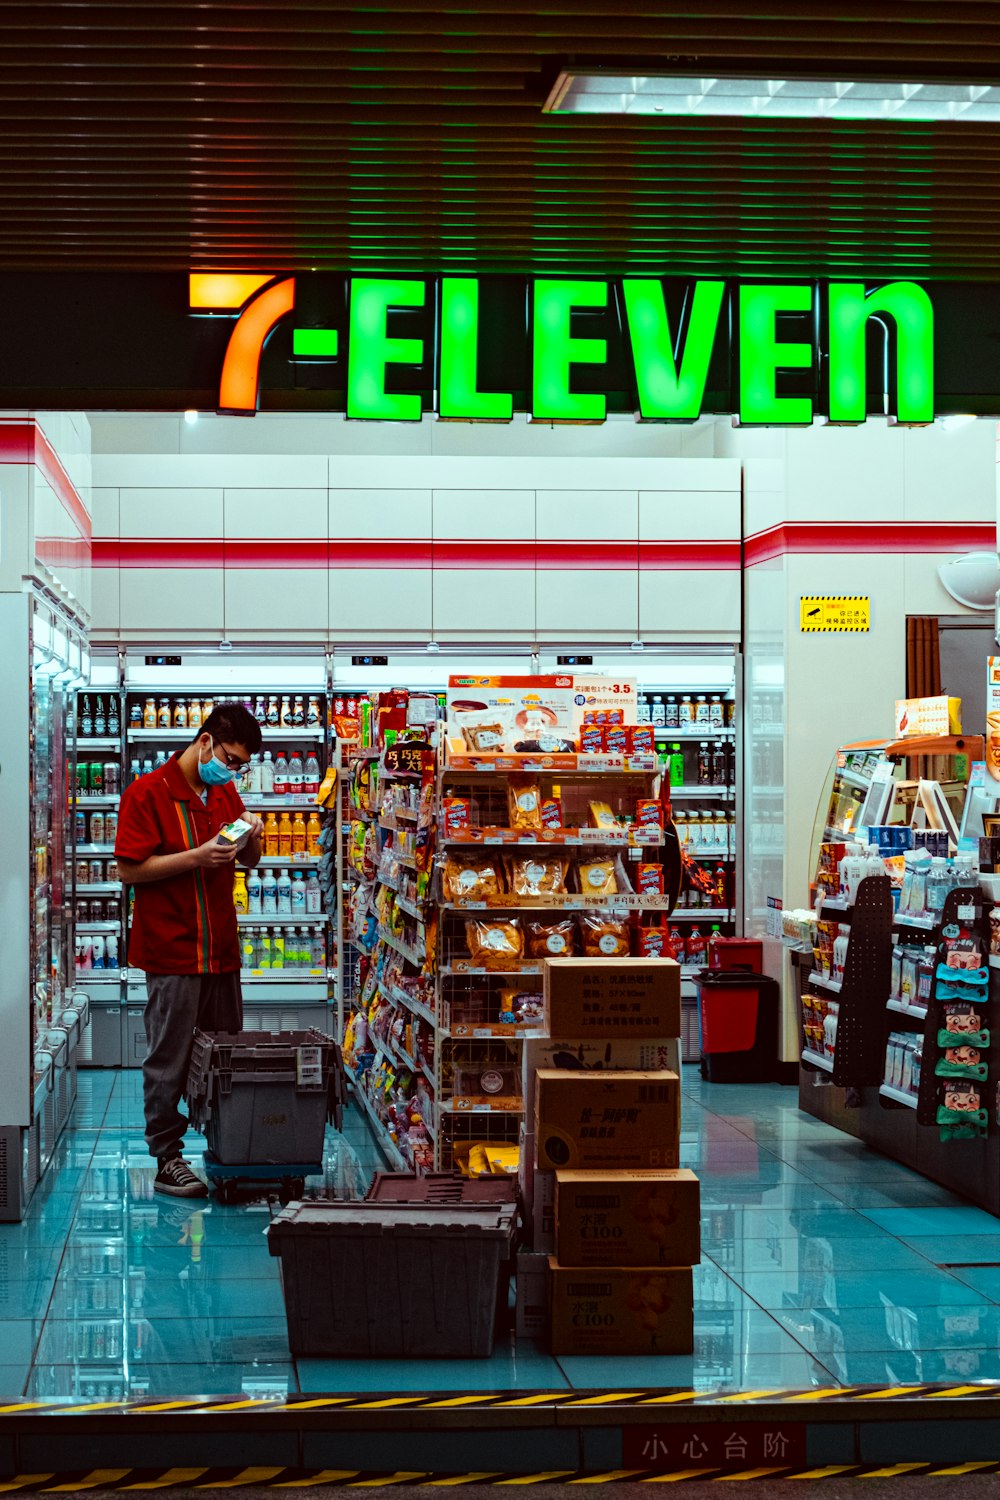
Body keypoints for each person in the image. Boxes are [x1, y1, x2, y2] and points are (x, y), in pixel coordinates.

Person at [114, 702, 264, 1197]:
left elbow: (248, 862)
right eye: (231, 759)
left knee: (225, 1054)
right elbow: (130, 870)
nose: (234, 770)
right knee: (169, 1058)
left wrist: (253, 837)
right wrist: (197, 858)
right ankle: (166, 1156)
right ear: (205, 742)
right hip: (172, 948)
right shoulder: (147, 793)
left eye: (242, 765)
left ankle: (227, 1147)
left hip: (220, 948)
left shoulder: (222, 791)